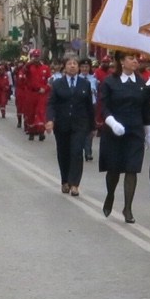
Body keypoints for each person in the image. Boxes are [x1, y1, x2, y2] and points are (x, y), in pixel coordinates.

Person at [99, 51, 149, 222]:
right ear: (121, 61)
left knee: (132, 168)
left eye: (136, 58)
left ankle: (128, 208)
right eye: (131, 58)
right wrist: (112, 123)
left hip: (135, 131)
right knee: (114, 169)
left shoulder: (141, 83)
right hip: (114, 130)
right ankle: (110, 194)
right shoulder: (109, 81)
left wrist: (149, 132)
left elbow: (145, 109)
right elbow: (104, 107)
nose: (135, 61)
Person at [47, 54, 95, 195]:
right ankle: (65, 181)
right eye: (69, 63)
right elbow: (51, 103)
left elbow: (89, 106)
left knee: (76, 153)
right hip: (62, 124)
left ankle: (74, 183)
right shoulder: (57, 84)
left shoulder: (85, 84)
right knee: (64, 153)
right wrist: (49, 120)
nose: (72, 66)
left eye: (75, 63)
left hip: (80, 124)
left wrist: (93, 126)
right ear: (65, 67)